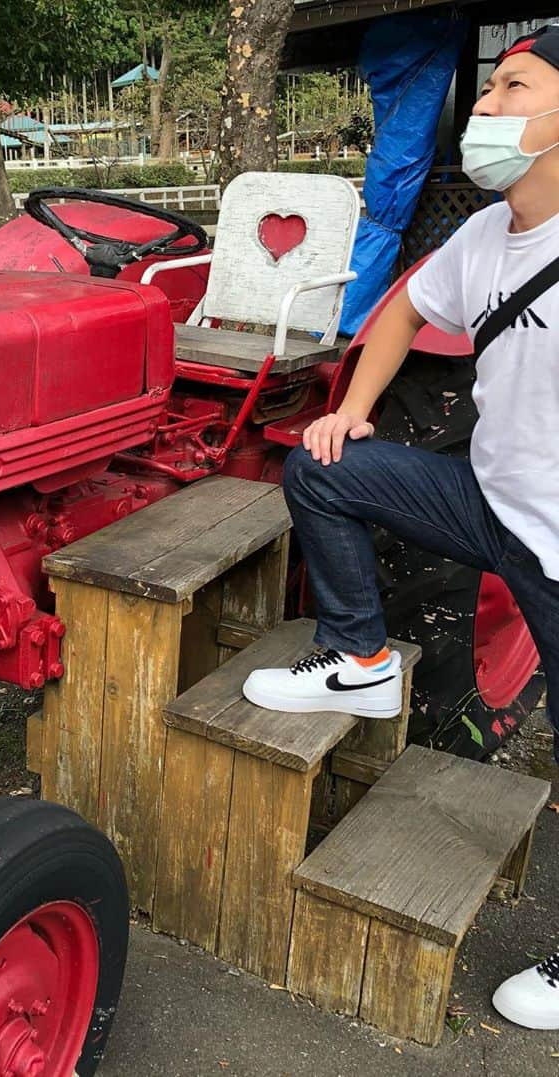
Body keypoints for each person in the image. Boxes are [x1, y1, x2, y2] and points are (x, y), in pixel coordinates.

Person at [242, 24, 559, 1031]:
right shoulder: (485, 235)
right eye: (491, 85)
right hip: (491, 505)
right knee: (324, 471)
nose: (487, 106)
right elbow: (399, 313)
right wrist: (353, 410)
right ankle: (359, 654)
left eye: (513, 87)